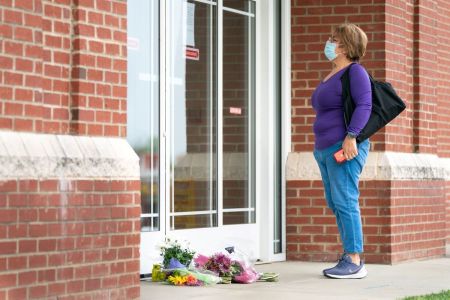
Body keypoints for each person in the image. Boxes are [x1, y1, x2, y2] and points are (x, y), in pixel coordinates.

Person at [311, 23, 372, 279]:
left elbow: (364, 105)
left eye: (333, 39)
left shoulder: (355, 72)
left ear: (346, 46)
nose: (328, 43)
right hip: (325, 149)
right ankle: (349, 254)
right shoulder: (332, 74)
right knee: (335, 202)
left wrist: (352, 136)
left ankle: (354, 260)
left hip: (343, 146)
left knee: (345, 201)